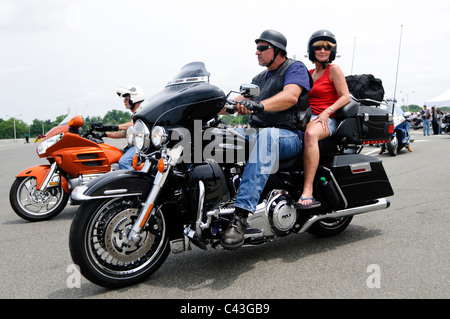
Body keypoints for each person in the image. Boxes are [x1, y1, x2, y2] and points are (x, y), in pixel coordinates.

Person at [221, 30, 312, 249]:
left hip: (287, 135)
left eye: (262, 48)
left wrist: (260, 105)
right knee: (218, 137)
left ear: (278, 50)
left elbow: (290, 96)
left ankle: (240, 216)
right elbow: (236, 102)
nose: (257, 52)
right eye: (257, 48)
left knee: (266, 136)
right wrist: (210, 107)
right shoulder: (259, 79)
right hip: (258, 132)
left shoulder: (294, 68)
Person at [297, 30, 350, 207]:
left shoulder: (333, 70)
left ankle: (308, 189)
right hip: (308, 117)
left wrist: (328, 111)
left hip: (327, 120)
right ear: (312, 51)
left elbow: (345, 97)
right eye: (319, 47)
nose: (323, 50)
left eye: (327, 47)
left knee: (311, 135)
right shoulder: (309, 73)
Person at [104, 85, 145, 169]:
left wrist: (115, 126)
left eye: (126, 99)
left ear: (134, 99)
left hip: (139, 147)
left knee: (123, 162)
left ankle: (135, 182)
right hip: (131, 147)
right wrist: (104, 134)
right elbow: (122, 134)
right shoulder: (134, 115)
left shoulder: (142, 113)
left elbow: (135, 123)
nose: (124, 101)